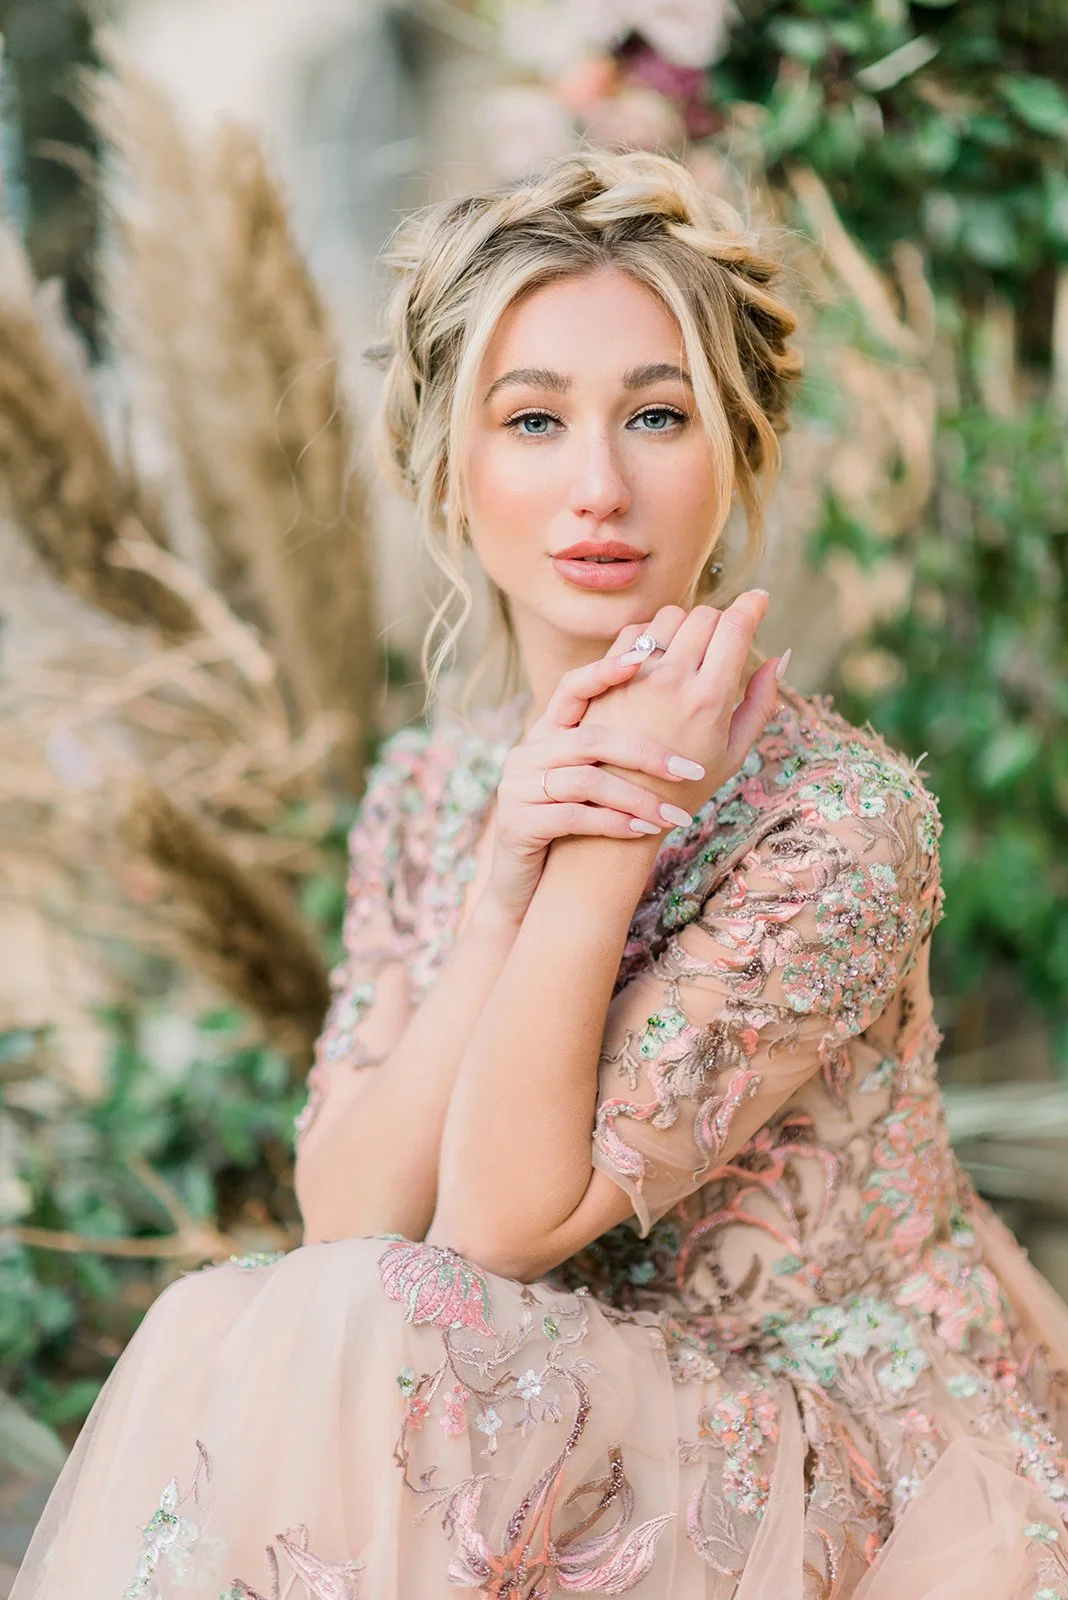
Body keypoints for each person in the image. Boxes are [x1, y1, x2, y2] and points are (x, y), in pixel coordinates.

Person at [12, 148, 1068, 1600]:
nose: (598, 486)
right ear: (449, 461)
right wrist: (498, 884)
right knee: (255, 1322)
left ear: (740, 449)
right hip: (546, 1394)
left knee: (376, 1327)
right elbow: (349, 1218)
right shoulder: (432, 789)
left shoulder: (839, 818)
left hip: (824, 1448)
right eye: (532, 420)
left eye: (657, 414)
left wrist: (610, 835)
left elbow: (500, 1225)